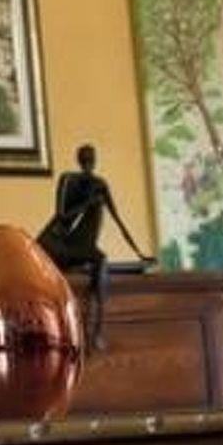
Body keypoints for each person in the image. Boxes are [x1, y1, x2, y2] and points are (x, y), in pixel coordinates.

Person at [37, 144, 151, 348]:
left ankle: (98, 328)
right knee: (92, 261)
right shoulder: (68, 179)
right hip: (55, 241)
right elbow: (62, 215)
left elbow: (118, 219)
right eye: (85, 159)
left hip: (79, 241)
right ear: (79, 160)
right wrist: (86, 203)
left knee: (100, 259)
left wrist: (139, 252)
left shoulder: (100, 184)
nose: (88, 164)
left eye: (91, 159)